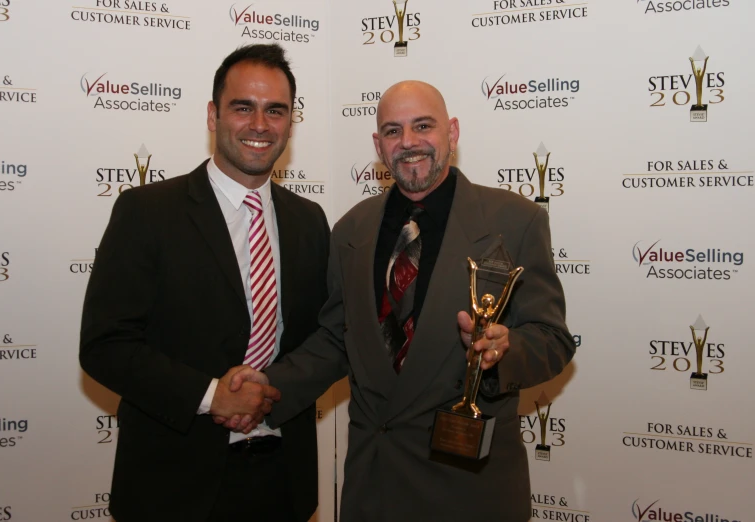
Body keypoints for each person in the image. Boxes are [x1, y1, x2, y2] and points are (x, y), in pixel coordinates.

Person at [227, 80, 576, 521]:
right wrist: (267, 388)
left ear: (452, 132)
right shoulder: (351, 231)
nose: (408, 142)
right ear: (378, 144)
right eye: (392, 131)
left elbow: (553, 339)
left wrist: (503, 352)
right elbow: (337, 340)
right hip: (374, 487)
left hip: (469, 489)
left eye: (423, 126)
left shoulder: (515, 220)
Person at [79, 43, 330, 522]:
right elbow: (105, 346)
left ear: (290, 122)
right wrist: (213, 395)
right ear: (213, 115)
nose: (260, 125)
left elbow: (324, 338)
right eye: (244, 107)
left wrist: (271, 390)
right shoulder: (147, 212)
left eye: (276, 111)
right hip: (173, 486)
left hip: (283, 482)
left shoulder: (310, 220)